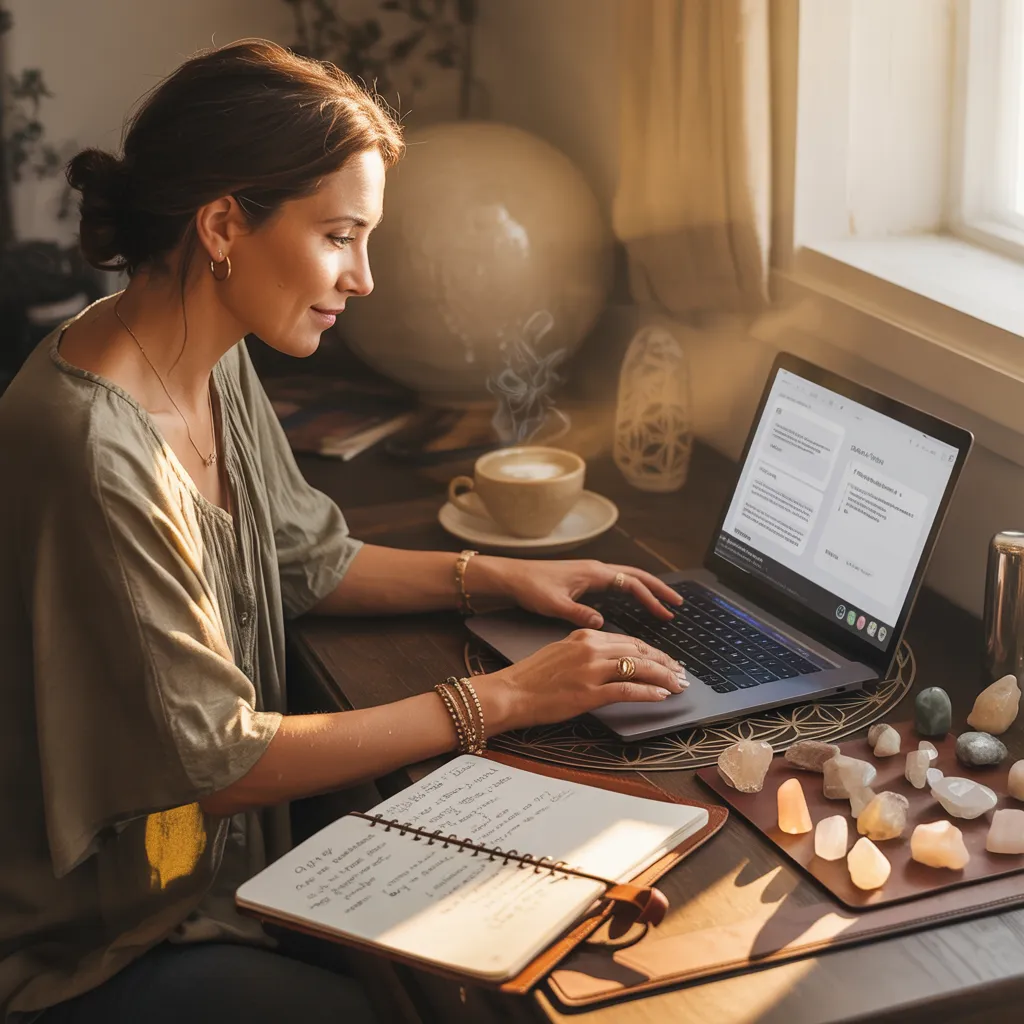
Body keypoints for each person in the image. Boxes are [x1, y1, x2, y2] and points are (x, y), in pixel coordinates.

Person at [0, 39, 689, 1023]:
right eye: (339, 236)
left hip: (217, 884)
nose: (363, 278)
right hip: (98, 945)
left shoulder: (202, 350)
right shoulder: (93, 449)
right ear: (223, 225)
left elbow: (304, 558)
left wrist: (495, 574)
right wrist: (508, 695)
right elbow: (224, 762)